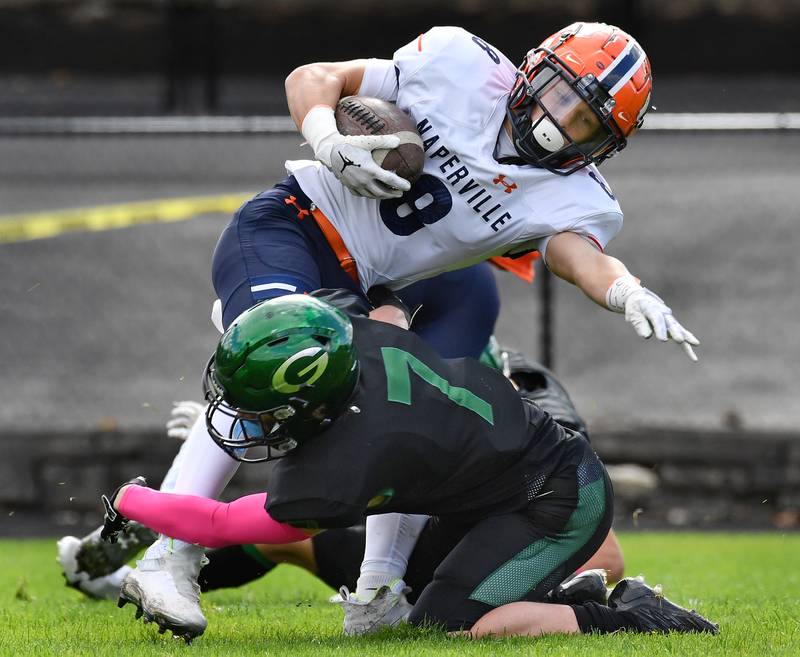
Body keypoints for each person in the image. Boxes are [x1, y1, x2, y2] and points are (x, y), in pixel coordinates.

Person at [98, 20, 700, 637]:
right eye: (560, 93)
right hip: (297, 228)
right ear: (532, 69)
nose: (558, 119)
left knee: (408, 419)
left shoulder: (578, 195)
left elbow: (579, 254)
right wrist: (327, 137)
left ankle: (379, 587)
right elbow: (314, 78)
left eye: (584, 122)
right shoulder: (460, 64)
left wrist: (623, 288)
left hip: (377, 284)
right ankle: (167, 557)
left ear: (604, 143)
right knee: (272, 357)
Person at [100, 292, 717, 642]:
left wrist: (132, 500)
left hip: (554, 500)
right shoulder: (358, 338)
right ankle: (571, 590)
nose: (245, 419)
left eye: (261, 408)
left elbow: (218, 523)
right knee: (426, 595)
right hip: (505, 482)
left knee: (451, 623)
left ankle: (633, 620)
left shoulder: (357, 453)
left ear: (313, 400)